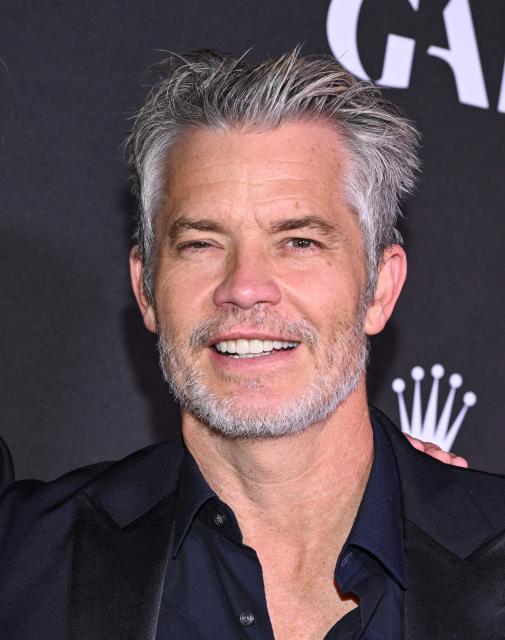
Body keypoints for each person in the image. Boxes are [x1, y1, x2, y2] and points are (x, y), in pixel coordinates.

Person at [0, 48, 501, 640]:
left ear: (379, 289)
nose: (244, 288)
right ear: (146, 289)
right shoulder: (22, 560)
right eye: (201, 244)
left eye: (299, 242)